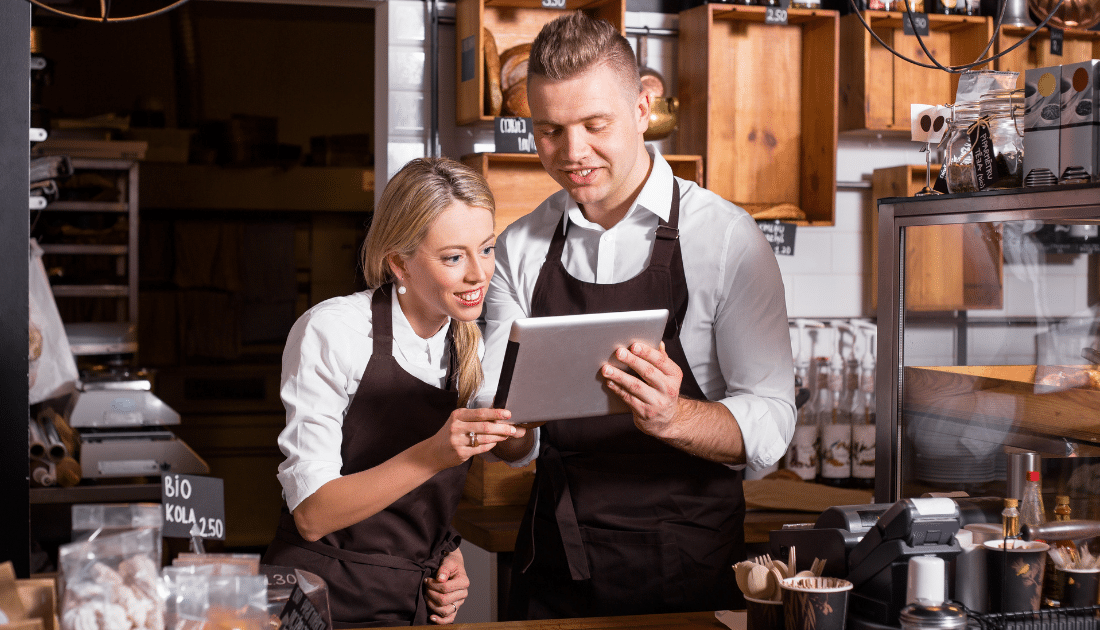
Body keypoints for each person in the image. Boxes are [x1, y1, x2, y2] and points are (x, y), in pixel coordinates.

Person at [482, 12, 797, 619]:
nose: (573, 153)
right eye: (549, 131)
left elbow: (772, 426)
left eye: (594, 124)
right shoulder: (519, 248)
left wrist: (674, 416)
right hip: (556, 568)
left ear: (643, 109)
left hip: (688, 571)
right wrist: (509, 432)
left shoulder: (728, 241)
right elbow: (513, 441)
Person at [263, 157, 525, 627]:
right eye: (452, 257)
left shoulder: (465, 340)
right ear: (399, 264)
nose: (478, 274)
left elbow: (416, 505)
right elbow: (312, 513)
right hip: (319, 598)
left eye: (486, 249)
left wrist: (445, 552)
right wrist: (433, 454)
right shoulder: (333, 330)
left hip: (410, 599)